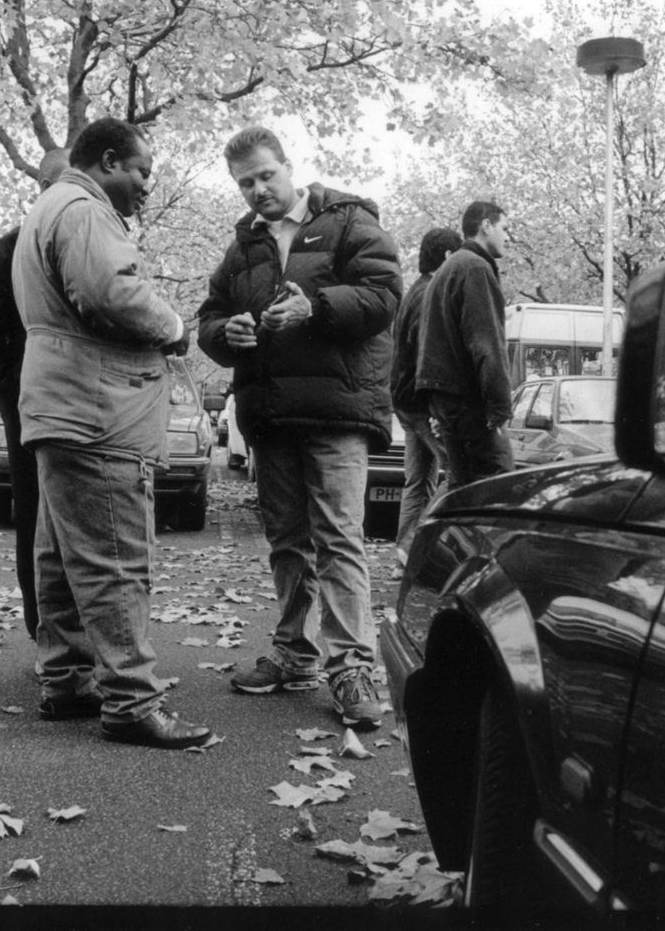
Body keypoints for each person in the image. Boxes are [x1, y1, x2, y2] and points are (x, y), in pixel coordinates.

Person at [11, 117, 212, 749]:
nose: (148, 187)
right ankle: (131, 700)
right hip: (99, 408)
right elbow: (112, 294)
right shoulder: (85, 210)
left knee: (62, 555)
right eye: (142, 172)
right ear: (106, 161)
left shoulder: (48, 207)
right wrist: (175, 325)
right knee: (117, 558)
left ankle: (66, 680)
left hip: (60, 403)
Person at [196, 126, 401, 731]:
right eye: (245, 183)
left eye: (266, 176)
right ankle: (295, 653)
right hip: (271, 414)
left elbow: (386, 294)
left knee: (338, 538)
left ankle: (352, 667)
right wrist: (222, 334)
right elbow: (209, 314)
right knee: (288, 541)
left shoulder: (348, 221)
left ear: (288, 167)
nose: (258, 190)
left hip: (339, 412)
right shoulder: (243, 246)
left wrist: (317, 306)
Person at [0, 147, 70, 638]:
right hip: (28, 411)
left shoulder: (87, 242)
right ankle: (43, 630)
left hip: (80, 405)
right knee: (34, 518)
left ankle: (82, 634)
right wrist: (13, 398)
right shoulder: (5, 252)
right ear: (43, 188)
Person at [416, 200, 515, 487]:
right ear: (486, 226)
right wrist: (499, 408)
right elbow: (487, 343)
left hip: (447, 401)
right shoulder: (475, 268)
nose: (508, 237)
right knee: (495, 486)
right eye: (505, 228)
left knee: (461, 489)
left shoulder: (448, 269)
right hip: (470, 404)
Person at [390, 227, 463, 566]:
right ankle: (411, 548)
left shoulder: (414, 291)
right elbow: (426, 354)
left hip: (405, 401)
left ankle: (404, 558)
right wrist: (436, 405)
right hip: (422, 405)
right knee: (458, 472)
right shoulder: (431, 293)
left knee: (418, 482)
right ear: (448, 257)